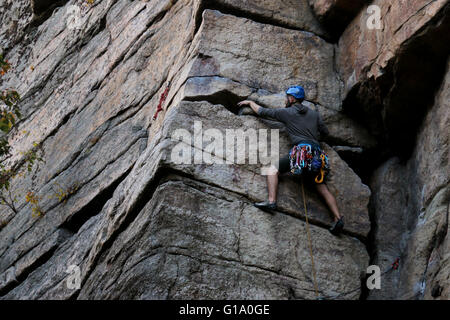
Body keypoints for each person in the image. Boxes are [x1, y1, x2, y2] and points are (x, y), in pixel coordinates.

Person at [237, 86, 344, 235]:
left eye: (287, 97)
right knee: (321, 185)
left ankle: (271, 202)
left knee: (272, 170)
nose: (286, 100)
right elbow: (325, 133)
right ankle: (338, 218)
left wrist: (250, 103)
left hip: (301, 152)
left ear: (292, 99)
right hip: (316, 155)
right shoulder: (314, 114)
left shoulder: (286, 113)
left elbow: (262, 112)